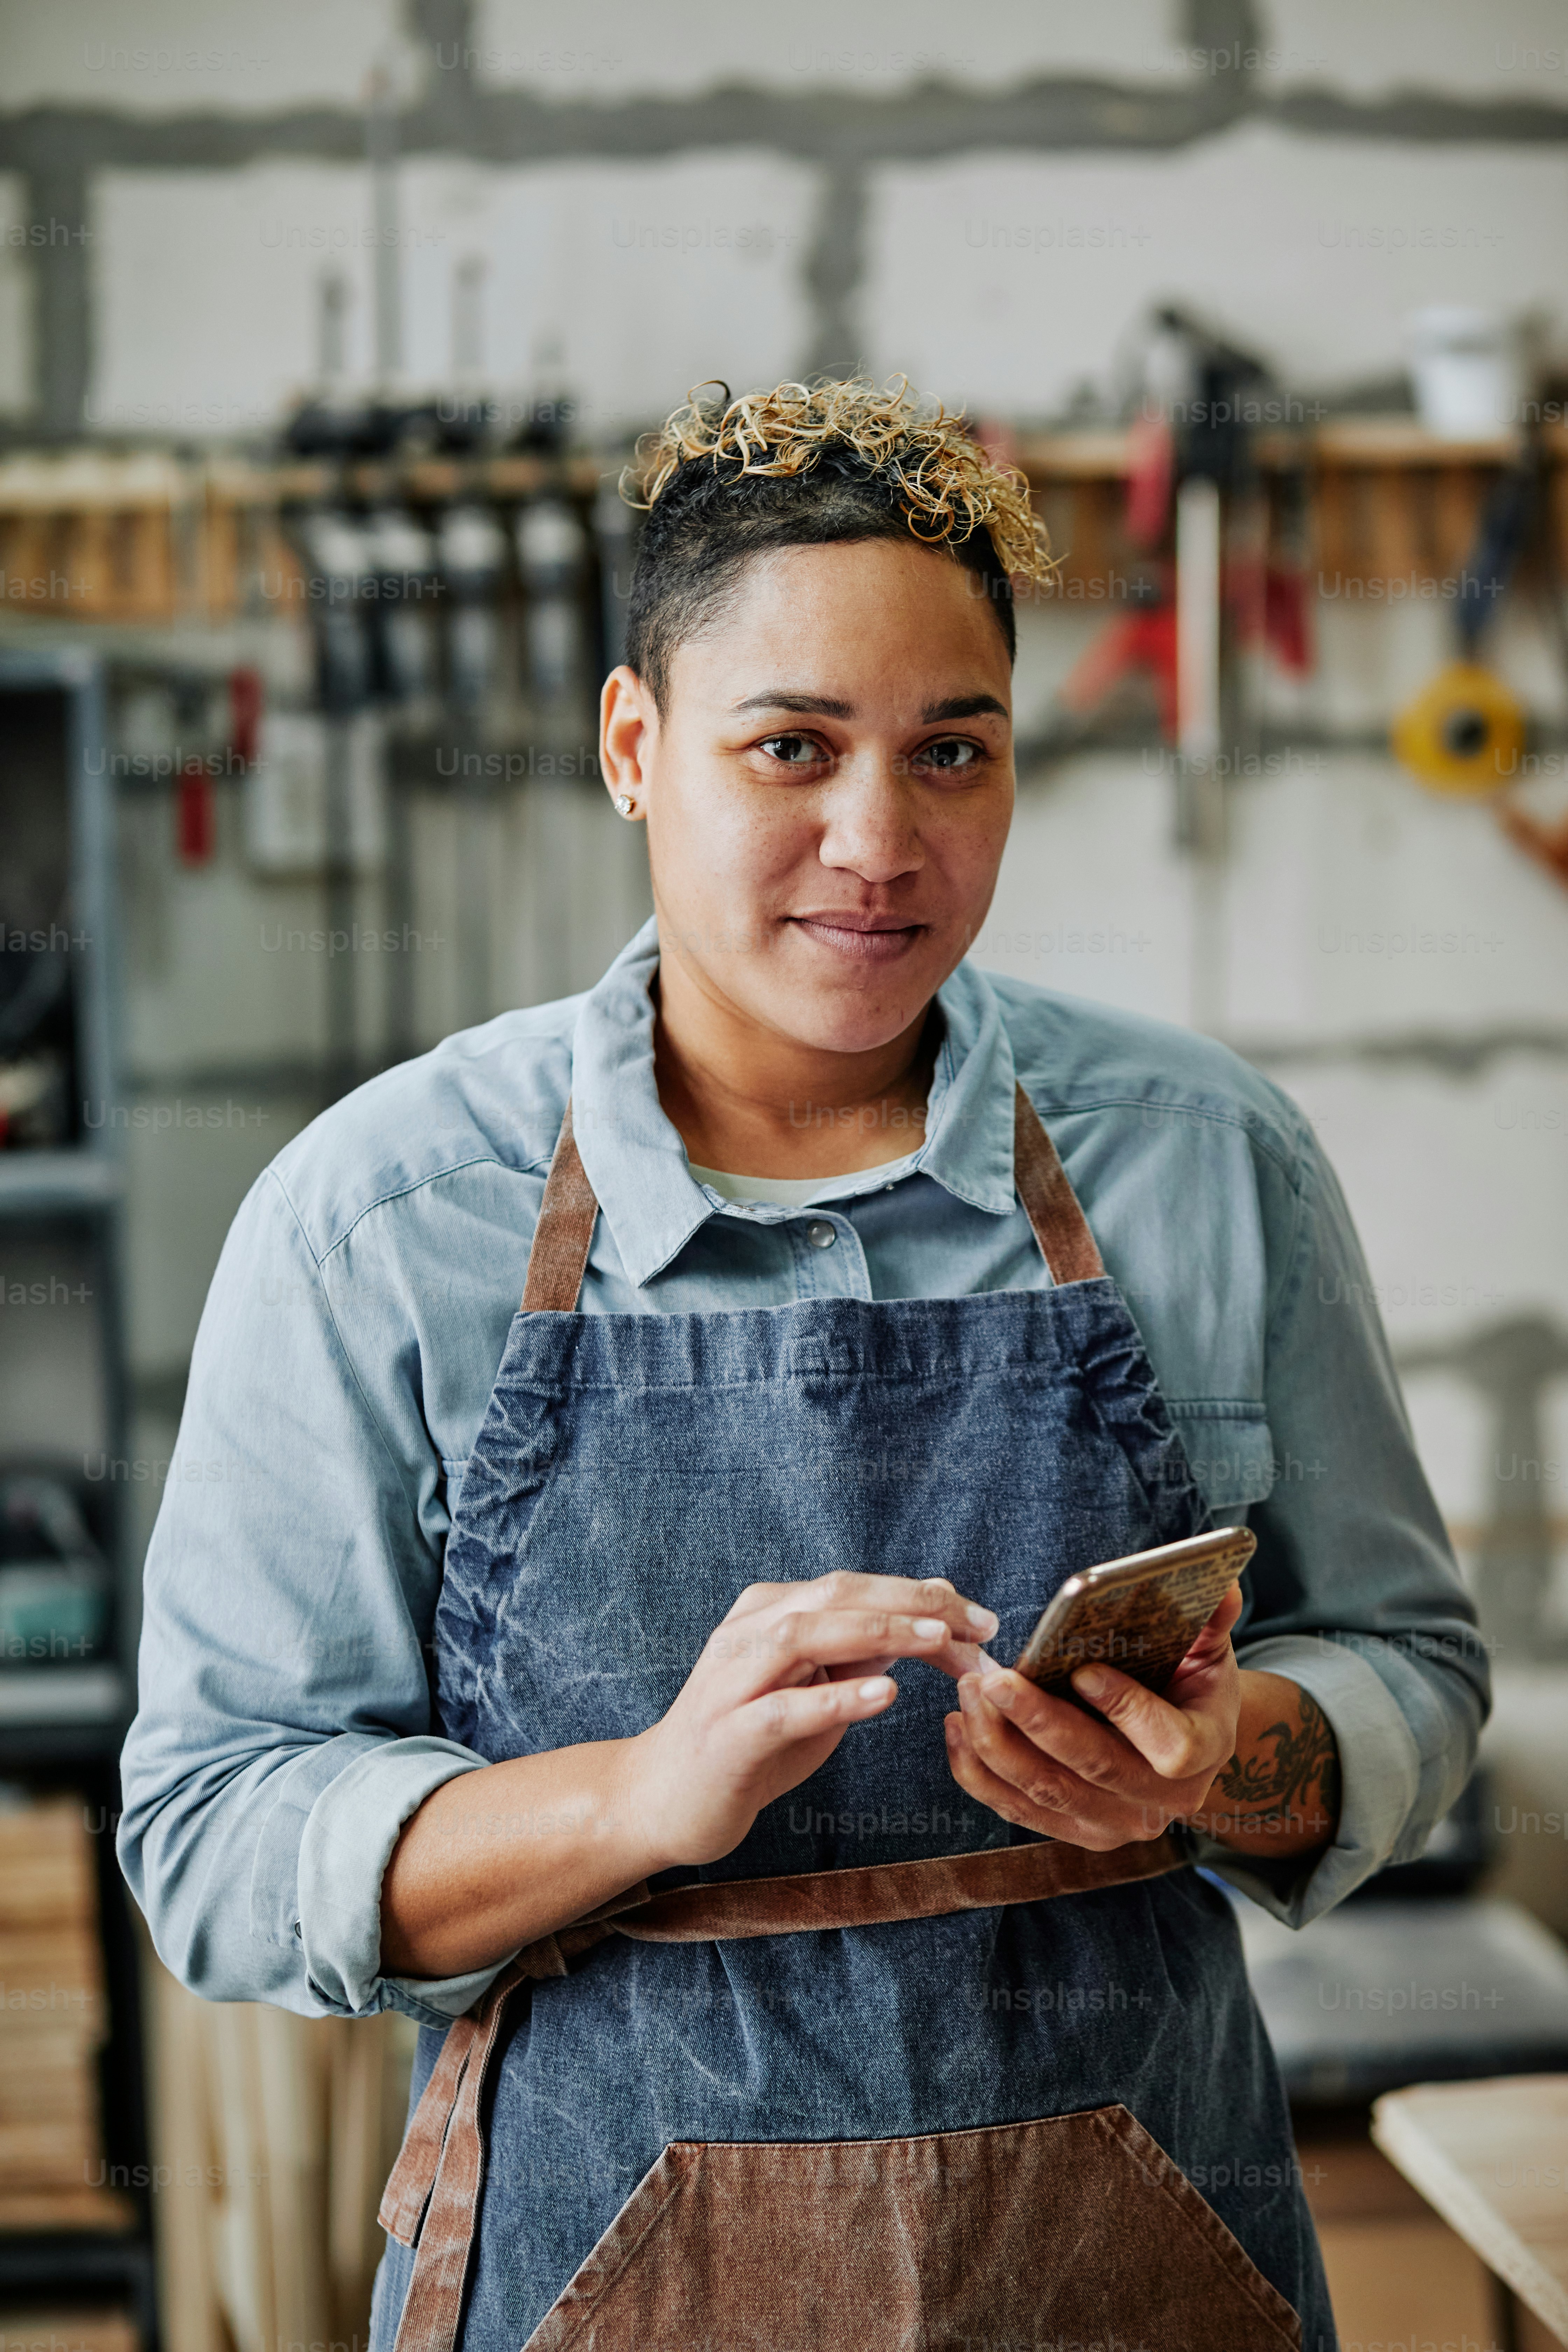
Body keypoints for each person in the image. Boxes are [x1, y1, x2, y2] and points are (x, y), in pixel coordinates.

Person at [121, 378, 1486, 2352]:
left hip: (1138, 2285)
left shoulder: (1209, 1163)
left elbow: (1412, 1670)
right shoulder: (383, 1222)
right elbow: (220, 1827)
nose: (880, 841)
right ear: (632, 746)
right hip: (606, 2277)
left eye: (954, 752)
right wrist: (638, 1804)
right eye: (794, 748)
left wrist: (1225, 1766)